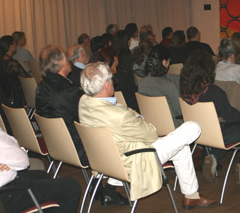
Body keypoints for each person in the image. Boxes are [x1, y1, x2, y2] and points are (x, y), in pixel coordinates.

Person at [78, 62, 217, 210]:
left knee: (180, 148)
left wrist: (134, 118)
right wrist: (137, 119)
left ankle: (191, 196)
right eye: (111, 80)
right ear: (106, 85)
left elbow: (123, 114)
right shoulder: (119, 117)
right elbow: (151, 134)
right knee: (193, 127)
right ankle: (191, 196)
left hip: (106, 160)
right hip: (135, 160)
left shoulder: (84, 103)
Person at [35, 45, 126, 207]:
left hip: (56, 145)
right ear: (61, 64)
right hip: (78, 148)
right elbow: (91, 117)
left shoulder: (40, 88)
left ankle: (99, 186)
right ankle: (111, 190)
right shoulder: (69, 91)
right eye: (65, 57)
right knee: (117, 135)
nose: (69, 60)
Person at [180, 51, 240, 190]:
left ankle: (213, 157)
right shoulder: (214, 92)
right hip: (219, 134)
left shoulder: (184, 93)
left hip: (200, 135)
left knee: (226, 130)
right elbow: (230, 115)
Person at [0, 118, 81, 213]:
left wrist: (10, 159)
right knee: (71, 186)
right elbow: (22, 161)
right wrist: (14, 155)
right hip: (2, 196)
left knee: (42, 175)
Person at [138, 45, 183, 128]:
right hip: (171, 127)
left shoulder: (141, 83)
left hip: (150, 126)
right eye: (168, 61)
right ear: (164, 62)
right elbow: (179, 111)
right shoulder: (169, 85)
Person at [0, 35, 31, 108]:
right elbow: (27, 78)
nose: (15, 46)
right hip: (16, 96)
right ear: (10, 46)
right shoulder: (12, 63)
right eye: (14, 43)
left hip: (4, 96)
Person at [112, 29, 139, 112]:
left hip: (116, 100)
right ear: (128, 42)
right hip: (131, 98)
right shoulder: (130, 58)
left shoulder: (111, 58)